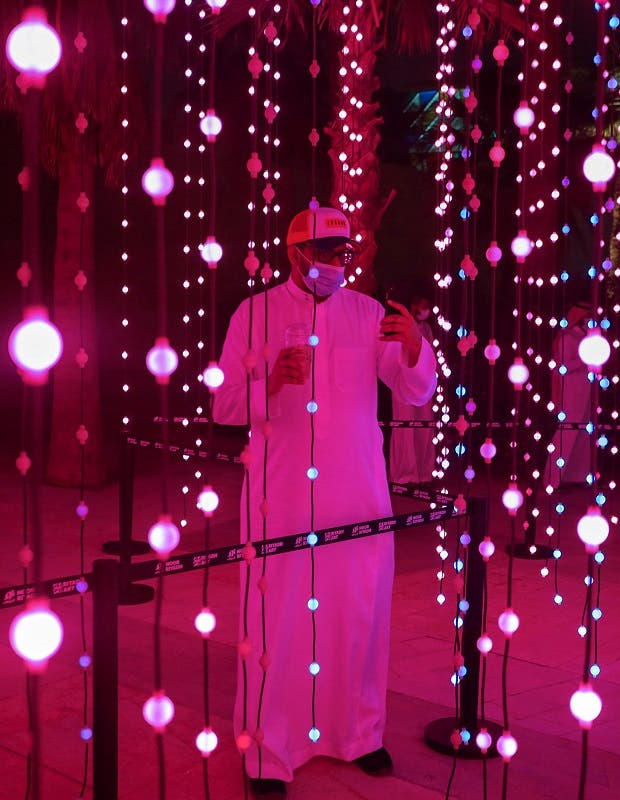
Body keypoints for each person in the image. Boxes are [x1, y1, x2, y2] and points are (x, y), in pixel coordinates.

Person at [212, 205, 437, 797]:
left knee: (358, 613)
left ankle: (359, 734)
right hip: (280, 496)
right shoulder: (253, 314)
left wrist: (416, 345)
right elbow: (224, 406)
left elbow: (412, 386)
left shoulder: (368, 314)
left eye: (344, 254)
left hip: (357, 495)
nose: (337, 264)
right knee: (277, 620)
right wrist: (272, 383)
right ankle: (267, 750)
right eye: (326, 254)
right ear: (294, 255)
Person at [388, 290, 437, 486]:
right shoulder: (400, 325)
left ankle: (424, 471)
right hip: (402, 381)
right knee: (404, 426)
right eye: (420, 306)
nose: (423, 311)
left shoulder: (426, 329)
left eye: (426, 307)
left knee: (424, 425)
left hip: (423, 383)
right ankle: (405, 473)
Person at [545, 301, 594, 489]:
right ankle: (553, 479)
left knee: (583, 435)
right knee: (567, 432)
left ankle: (576, 477)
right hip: (571, 392)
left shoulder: (587, 337)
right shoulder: (568, 337)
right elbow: (563, 366)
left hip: (585, 391)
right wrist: (584, 358)